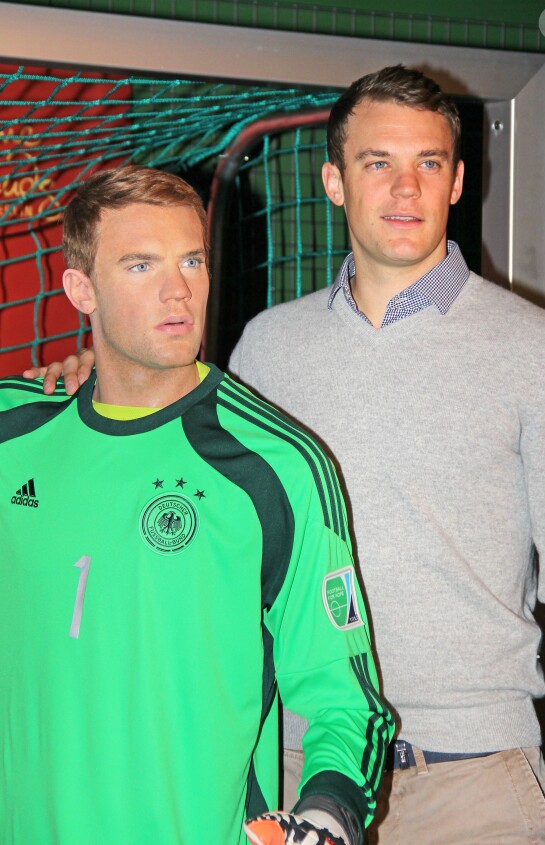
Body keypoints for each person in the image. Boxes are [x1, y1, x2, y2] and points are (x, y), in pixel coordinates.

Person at [27, 65, 545, 844]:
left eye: (428, 163)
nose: (404, 188)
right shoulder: (265, 346)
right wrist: (86, 381)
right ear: (332, 180)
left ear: (458, 182)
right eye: (376, 163)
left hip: (470, 778)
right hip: (293, 773)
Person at [2, 166, 392, 845]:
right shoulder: (14, 432)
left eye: (191, 260)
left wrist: (328, 812)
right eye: (141, 264)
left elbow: (345, 699)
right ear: (80, 289)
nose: (178, 288)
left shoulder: (277, 466)